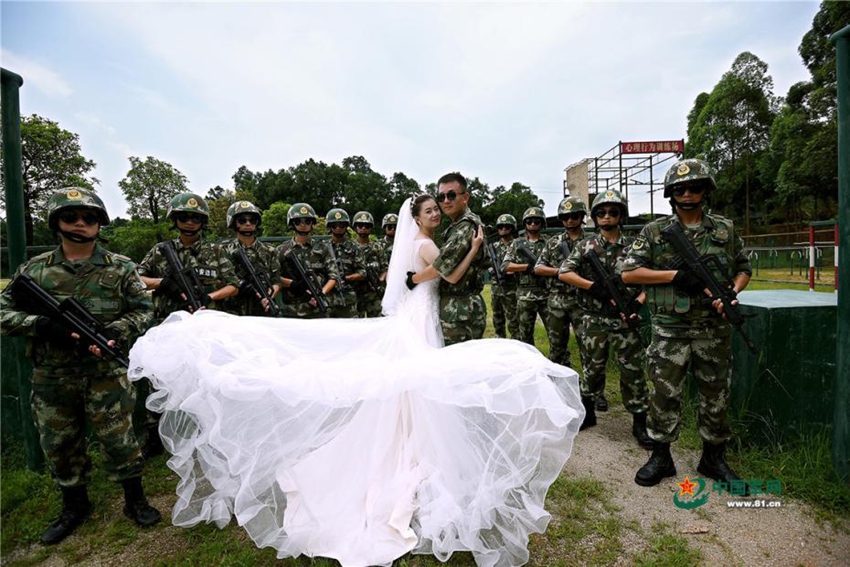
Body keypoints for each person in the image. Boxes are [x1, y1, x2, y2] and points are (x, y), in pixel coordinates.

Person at [127, 193, 584, 567]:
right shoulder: (426, 245)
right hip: (419, 321)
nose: (435, 215)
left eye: (435, 210)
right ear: (418, 218)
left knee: (410, 392)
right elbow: (451, 272)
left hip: (414, 317)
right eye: (429, 211)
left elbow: (413, 279)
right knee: (416, 389)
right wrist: (475, 246)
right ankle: (412, 452)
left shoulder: (414, 245)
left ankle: (412, 446)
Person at [0, 188, 161, 545]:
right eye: (71, 217)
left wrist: (115, 331)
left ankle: (135, 500)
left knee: (120, 440)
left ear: (99, 224)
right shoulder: (34, 269)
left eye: (88, 218)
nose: (80, 224)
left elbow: (143, 310)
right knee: (60, 444)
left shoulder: (120, 267)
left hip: (106, 373)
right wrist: (42, 326)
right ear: (56, 222)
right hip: (53, 375)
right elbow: (4, 311)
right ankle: (75, 506)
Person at [620, 158, 751, 487]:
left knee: (716, 394)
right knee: (664, 394)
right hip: (669, 330)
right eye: (680, 189)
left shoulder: (724, 229)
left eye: (695, 188)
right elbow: (628, 272)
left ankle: (713, 458)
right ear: (671, 194)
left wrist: (731, 292)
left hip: (712, 328)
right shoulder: (655, 232)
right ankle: (661, 456)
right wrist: (676, 275)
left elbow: (744, 267)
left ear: (706, 191)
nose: (688, 194)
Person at [137, 192, 239, 457]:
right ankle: (154, 436)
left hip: (206, 327)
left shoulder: (215, 251)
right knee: (160, 381)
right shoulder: (160, 252)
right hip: (168, 328)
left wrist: (210, 296)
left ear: (202, 222)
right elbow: (136, 278)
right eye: (184, 217)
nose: (190, 223)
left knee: (211, 380)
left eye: (195, 218)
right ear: (175, 220)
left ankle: (213, 432)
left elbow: (233, 285)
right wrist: (163, 283)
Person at [559, 189, 652, 448]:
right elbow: (565, 272)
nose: (607, 217)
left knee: (632, 369)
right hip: (594, 318)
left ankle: (639, 421)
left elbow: (649, 279)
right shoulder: (585, 245)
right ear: (595, 217)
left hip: (625, 317)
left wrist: (638, 302)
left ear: (622, 215)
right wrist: (593, 287)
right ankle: (588, 412)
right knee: (592, 367)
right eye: (601, 212)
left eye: (613, 212)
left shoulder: (635, 245)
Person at [427, 172, 488, 345]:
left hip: (459, 309)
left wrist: (411, 280)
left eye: (452, 195)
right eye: (441, 196)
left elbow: (441, 268)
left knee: (457, 366)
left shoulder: (465, 227)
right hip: (460, 306)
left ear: (465, 197)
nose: (446, 201)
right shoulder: (457, 225)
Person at [534, 197, 588, 369]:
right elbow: (539, 268)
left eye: (573, 216)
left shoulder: (592, 241)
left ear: (581, 216)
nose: (570, 220)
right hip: (557, 301)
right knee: (557, 348)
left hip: (584, 301)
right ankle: (557, 383)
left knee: (588, 348)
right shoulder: (553, 243)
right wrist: (562, 273)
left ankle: (589, 390)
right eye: (565, 217)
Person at [276, 203, 339, 319]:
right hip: (291, 309)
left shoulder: (323, 248)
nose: (303, 225)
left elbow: (333, 276)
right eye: (298, 222)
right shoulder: (281, 250)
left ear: (313, 224)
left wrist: (321, 293)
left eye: (307, 221)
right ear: (292, 224)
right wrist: (292, 284)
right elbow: (274, 276)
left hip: (317, 308)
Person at [219, 200, 281, 317]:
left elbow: (276, 280)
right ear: (233, 223)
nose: (248, 224)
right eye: (242, 220)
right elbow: (216, 280)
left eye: (252, 220)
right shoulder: (223, 250)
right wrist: (238, 286)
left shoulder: (270, 250)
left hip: (261, 310)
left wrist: (268, 297)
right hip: (232, 312)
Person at [501, 207, 549, 348]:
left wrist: (543, 270)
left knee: (555, 335)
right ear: (525, 224)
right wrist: (526, 267)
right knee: (525, 337)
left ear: (542, 224)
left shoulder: (549, 243)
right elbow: (505, 266)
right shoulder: (517, 244)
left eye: (536, 221)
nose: (532, 224)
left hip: (546, 294)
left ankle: (558, 364)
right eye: (529, 221)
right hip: (524, 295)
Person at [326, 207, 366, 318]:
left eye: (342, 225)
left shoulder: (354, 247)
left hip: (348, 298)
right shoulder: (322, 247)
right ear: (329, 227)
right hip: (328, 298)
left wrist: (346, 278)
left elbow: (362, 272)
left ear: (346, 226)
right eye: (334, 225)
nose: (338, 228)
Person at [489, 213, 519, 339]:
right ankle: (499, 344)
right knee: (497, 320)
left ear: (512, 228)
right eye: (501, 227)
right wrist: (491, 269)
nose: (503, 229)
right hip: (496, 289)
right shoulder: (493, 247)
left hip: (512, 288)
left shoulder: (518, 245)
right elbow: (487, 263)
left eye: (507, 226)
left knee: (514, 322)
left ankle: (517, 346)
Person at [352, 211, 384, 318]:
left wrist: (379, 281)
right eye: (360, 226)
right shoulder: (350, 247)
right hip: (355, 293)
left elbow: (385, 268)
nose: (363, 228)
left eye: (367, 226)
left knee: (377, 323)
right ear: (355, 227)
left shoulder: (377, 247)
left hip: (374, 294)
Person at [376, 212, 397, 289]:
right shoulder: (377, 245)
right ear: (384, 228)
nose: (393, 230)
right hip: (382, 280)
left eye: (395, 227)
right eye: (390, 227)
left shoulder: (403, 244)